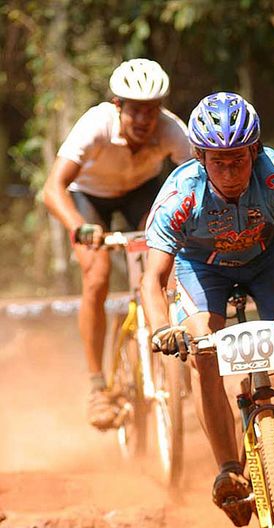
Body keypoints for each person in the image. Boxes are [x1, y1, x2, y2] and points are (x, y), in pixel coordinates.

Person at [141, 91, 274, 526]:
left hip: (265, 261)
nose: (231, 170)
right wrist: (162, 328)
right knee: (203, 350)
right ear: (199, 156)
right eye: (218, 160)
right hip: (201, 269)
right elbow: (153, 277)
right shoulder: (180, 191)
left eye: (239, 158)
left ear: (255, 150)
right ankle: (228, 470)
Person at [42, 58, 192, 429]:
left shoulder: (173, 130)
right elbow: (52, 188)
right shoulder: (95, 125)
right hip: (90, 197)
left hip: (142, 194)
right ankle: (98, 387)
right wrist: (79, 228)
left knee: (169, 267)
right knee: (97, 274)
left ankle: (174, 358)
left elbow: (198, 179)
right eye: (135, 110)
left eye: (152, 111)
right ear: (117, 105)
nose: (144, 120)